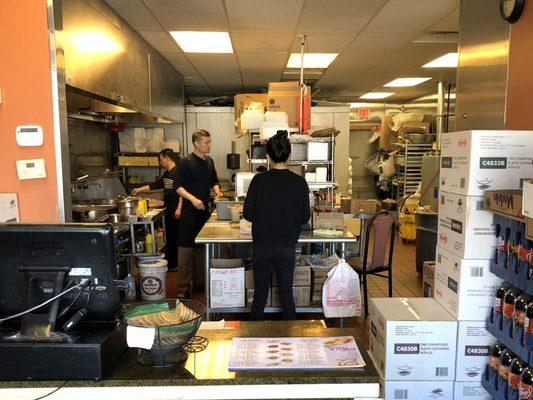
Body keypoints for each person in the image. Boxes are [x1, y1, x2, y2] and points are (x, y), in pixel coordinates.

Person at [243, 131, 310, 320]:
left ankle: (253, 341)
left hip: (262, 247)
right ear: (289, 156)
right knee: (287, 295)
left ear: (267, 156)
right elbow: (305, 217)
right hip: (287, 247)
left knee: (259, 298)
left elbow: (248, 214)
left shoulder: (259, 180)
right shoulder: (299, 183)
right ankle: (293, 341)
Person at [174, 129, 222, 298]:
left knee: (202, 248)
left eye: (210, 141)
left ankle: (201, 283)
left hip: (204, 212)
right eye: (206, 142)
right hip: (189, 212)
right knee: (186, 250)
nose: (209, 145)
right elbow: (177, 186)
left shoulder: (209, 161)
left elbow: (214, 180)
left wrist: (217, 191)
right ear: (196, 143)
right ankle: (183, 288)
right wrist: (193, 199)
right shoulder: (186, 162)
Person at [132, 148, 182, 270]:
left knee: (174, 236)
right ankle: (171, 263)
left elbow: (182, 192)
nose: (160, 163)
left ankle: (174, 264)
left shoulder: (178, 172)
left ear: (167, 158)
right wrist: (139, 189)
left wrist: (179, 209)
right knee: (170, 236)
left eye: (161, 159)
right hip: (169, 207)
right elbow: (156, 184)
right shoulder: (167, 174)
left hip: (175, 207)